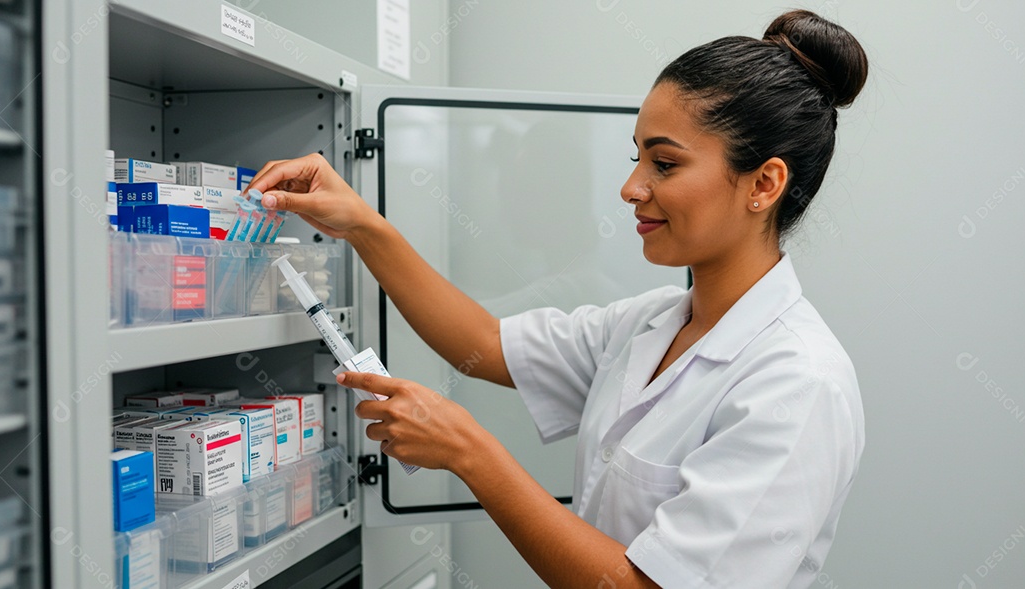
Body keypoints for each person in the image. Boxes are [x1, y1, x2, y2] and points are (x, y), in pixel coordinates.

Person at [247, 9, 868, 588]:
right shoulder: (648, 324)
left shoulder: (797, 384)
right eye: (637, 158)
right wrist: (362, 223)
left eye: (665, 165)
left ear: (764, 183)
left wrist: (470, 451)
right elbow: (483, 344)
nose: (631, 187)